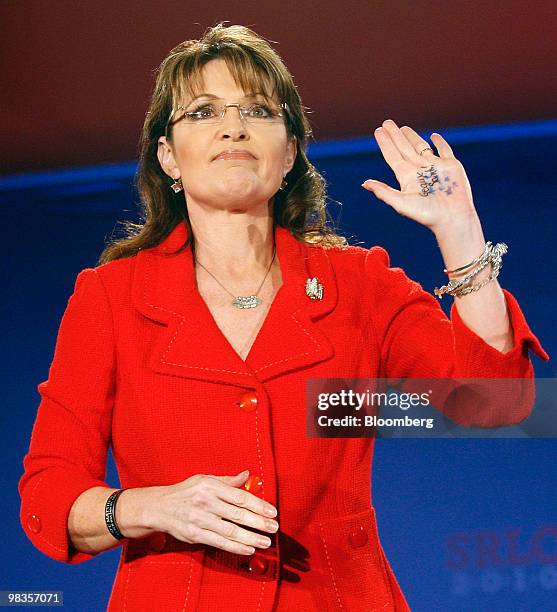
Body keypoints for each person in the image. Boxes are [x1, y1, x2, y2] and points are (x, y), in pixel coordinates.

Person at [18, 23, 548, 612]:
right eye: (201, 112)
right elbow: (50, 495)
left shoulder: (359, 283)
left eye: (258, 110)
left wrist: (460, 232)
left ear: (290, 150)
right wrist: (150, 506)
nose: (233, 126)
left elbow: (495, 402)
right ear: (167, 156)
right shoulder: (110, 297)